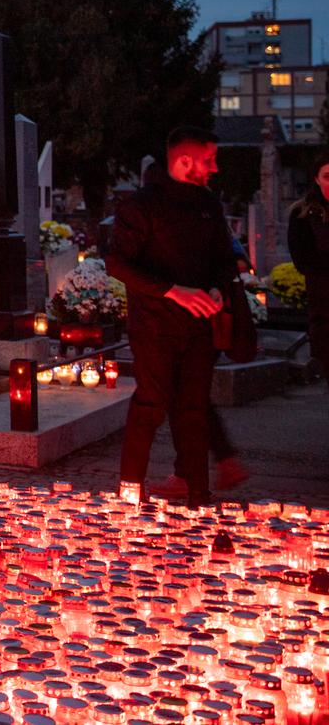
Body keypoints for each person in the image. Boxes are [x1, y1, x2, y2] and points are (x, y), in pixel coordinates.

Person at [105, 126, 242, 505]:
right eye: (209, 160)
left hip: (199, 327)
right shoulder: (142, 205)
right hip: (154, 326)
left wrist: (217, 287)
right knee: (150, 404)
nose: (215, 168)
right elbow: (118, 263)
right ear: (185, 161)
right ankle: (131, 489)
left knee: (194, 408)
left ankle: (198, 493)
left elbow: (223, 259)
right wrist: (172, 291)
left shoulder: (208, 204)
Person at [286, 151, 329, 382]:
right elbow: (301, 257)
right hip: (323, 295)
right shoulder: (302, 213)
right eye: (327, 176)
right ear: (316, 179)